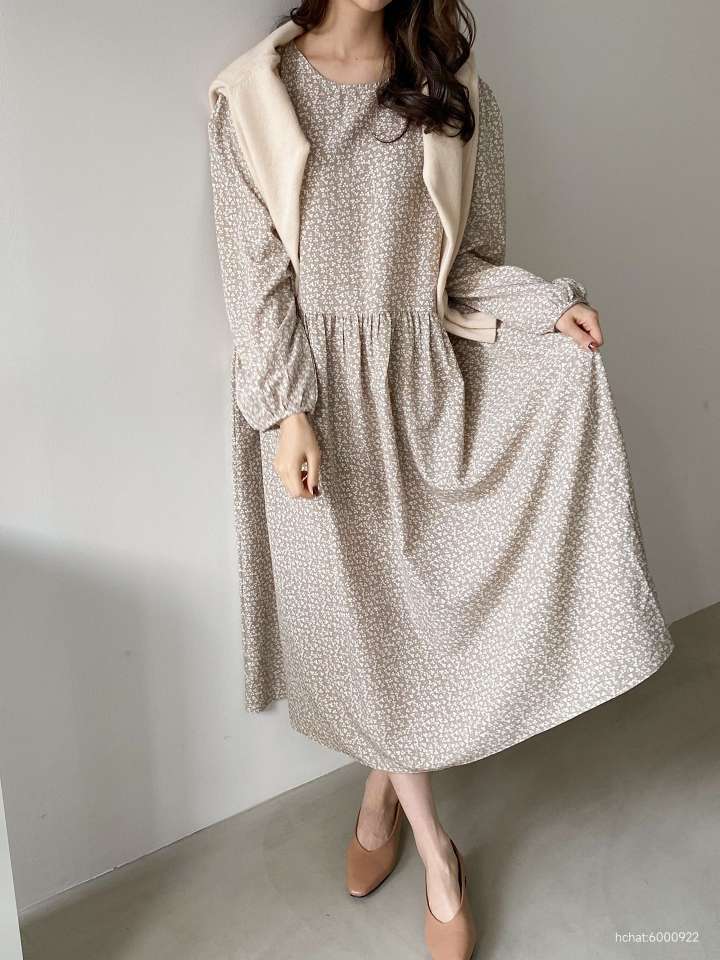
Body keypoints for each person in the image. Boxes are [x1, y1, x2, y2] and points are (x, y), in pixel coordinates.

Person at [207, 3, 673, 956]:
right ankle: (438, 856)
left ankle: (380, 805)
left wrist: (546, 309)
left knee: (414, 636)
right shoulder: (249, 96)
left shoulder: (453, 88)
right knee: (367, 641)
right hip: (316, 409)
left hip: (426, 387)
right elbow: (254, 284)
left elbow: (471, 262)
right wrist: (288, 411)